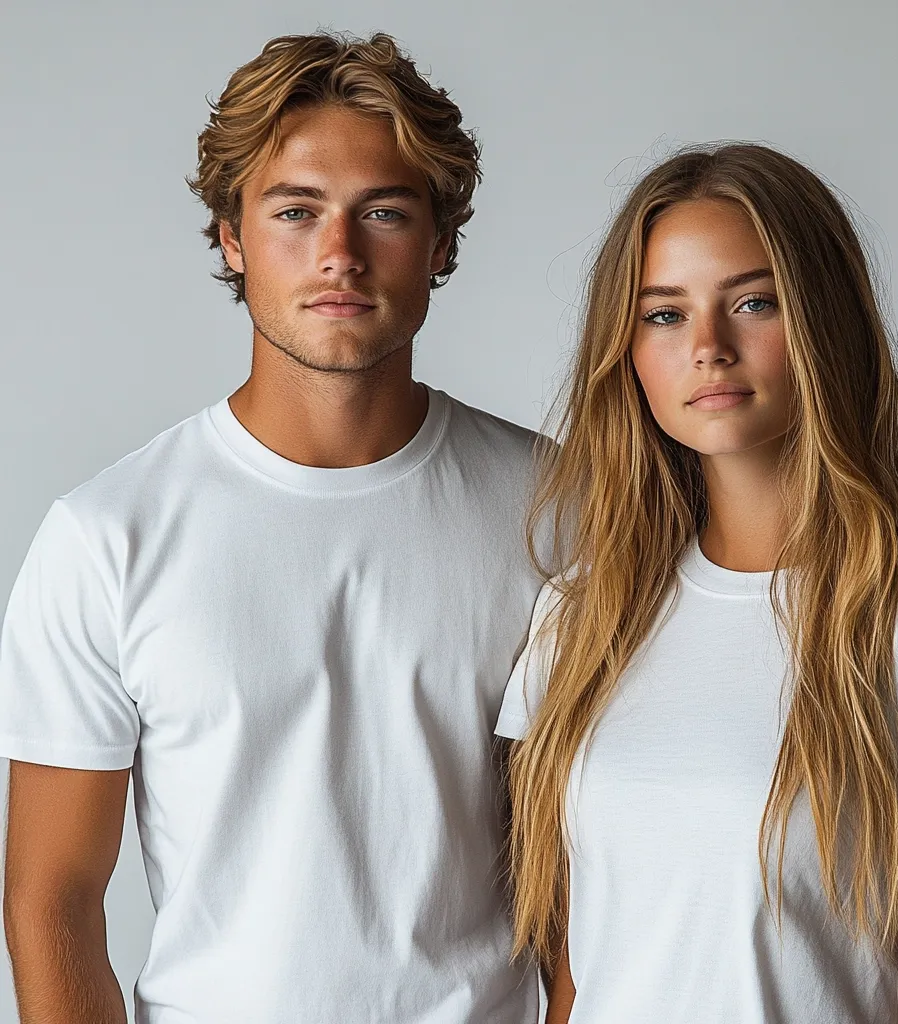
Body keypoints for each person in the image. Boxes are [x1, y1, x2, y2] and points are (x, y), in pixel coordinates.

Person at [1, 31, 545, 1024]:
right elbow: (51, 899)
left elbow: (598, 871)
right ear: (232, 238)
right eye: (295, 211)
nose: (338, 253)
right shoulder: (106, 536)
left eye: (382, 211)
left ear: (440, 242)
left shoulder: (562, 510)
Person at [498, 143, 898, 1023]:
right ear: (625, 351)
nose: (707, 347)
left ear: (824, 321)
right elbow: (574, 984)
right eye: (664, 314)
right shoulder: (579, 621)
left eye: (753, 302)